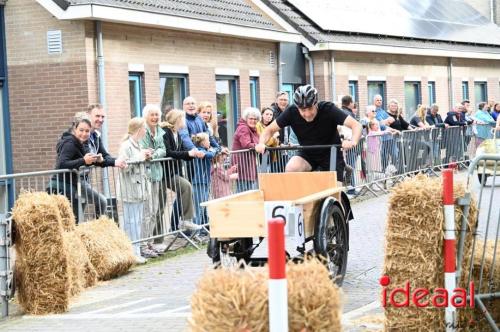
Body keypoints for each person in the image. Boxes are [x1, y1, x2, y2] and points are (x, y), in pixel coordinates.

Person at [256, 85, 362, 185]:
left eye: (310, 109)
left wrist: (353, 141)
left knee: (334, 189)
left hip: (331, 153)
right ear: (297, 107)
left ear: (316, 104)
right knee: (291, 168)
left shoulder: (328, 109)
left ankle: (343, 169)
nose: (307, 114)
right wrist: (261, 143)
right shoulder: (291, 112)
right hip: (308, 153)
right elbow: (269, 130)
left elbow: (356, 125)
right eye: (302, 110)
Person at [50, 113, 104, 222]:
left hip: (71, 186)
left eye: (87, 131)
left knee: (75, 222)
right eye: (81, 130)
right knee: (71, 223)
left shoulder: (79, 143)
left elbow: (80, 162)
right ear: (75, 129)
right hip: (62, 187)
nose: (84, 134)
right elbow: (61, 164)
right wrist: (84, 160)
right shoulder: (70, 143)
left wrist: (95, 160)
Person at [117, 117, 150, 264]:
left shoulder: (138, 144)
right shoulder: (126, 146)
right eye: (144, 128)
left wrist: (146, 155)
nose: (146, 131)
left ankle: (136, 251)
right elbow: (125, 166)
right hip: (130, 189)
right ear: (139, 129)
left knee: (137, 222)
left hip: (139, 188)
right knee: (131, 222)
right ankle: (131, 252)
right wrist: (140, 156)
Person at [161, 109, 200, 233]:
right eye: (182, 118)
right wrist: (187, 153)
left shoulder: (177, 133)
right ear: (177, 119)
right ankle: (184, 221)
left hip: (174, 171)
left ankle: (185, 220)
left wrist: (193, 154)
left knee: (186, 188)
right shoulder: (165, 132)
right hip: (165, 173)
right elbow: (168, 152)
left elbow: (183, 151)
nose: (184, 120)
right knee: (185, 187)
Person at [139, 104, 167, 258]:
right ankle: (143, 244)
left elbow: (163, 150)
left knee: (155, 210)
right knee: (147, 211)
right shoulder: (143, 132)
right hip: (147, 175)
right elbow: (143, 149)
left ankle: (149, 242)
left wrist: (154, 155)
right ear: (146, 116)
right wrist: (153, 154)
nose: (155, 118)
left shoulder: (160, 132)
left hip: (157, 174)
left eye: (157, 115)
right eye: (152, 115)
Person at [232, 107, 261, 192]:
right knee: (243, 190)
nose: (253, 121)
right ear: (246, 119)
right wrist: (257, 146)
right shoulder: (243, 128)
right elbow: (246, 144)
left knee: (248, 189)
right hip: (243, 163)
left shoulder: (253, 129)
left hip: (249, 163)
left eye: (255, 119)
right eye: (251, 118)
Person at [191, 132, 216, 227]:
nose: (209, 142)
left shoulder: (205, 150)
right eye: (208, 140)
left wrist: (213, 150)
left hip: (205, 181)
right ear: (202, 142)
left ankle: (200, 229)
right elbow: (210, 155)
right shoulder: (200, 151)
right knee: (198, 208)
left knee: (203, 206)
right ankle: (195, 231)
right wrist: (213, 150)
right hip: (199, 182)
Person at [256, 107, 279, 171]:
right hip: (261, 155)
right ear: (262, 115)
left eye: (271, 115)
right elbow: (262, 142)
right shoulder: (258, 125)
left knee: (268, 174)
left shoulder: (272, 126)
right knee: (262, 174)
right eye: (267, 114)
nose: (269, 116)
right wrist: (273, 137)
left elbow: (275, 144)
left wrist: (275, 139)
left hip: (270, 155)